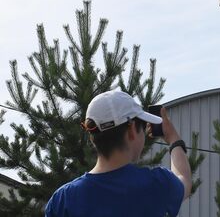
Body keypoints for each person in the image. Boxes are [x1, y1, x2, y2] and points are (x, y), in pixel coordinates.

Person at [45, 89, 192, 217]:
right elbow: (184, 179)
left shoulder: (63, 200)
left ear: (93, 136)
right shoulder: (158, 184)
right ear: (132, 129)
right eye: (142, 126)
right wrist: (173, 139)